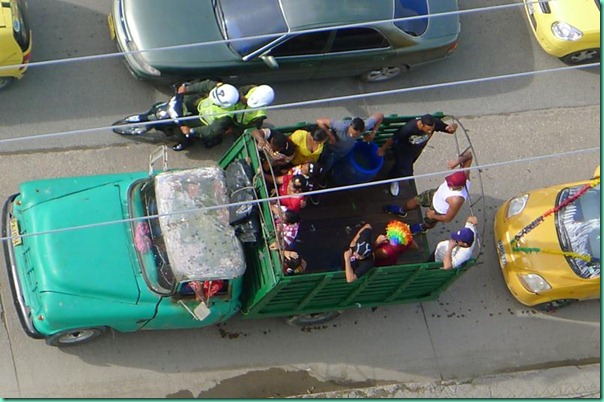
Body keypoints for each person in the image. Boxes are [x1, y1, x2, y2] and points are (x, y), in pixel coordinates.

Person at [384, 149, 473, 234]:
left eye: (451, 184)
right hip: (435, 194)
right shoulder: (463, 173)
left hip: (437, 210)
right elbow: (469, 155)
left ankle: (422, 227)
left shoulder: (456, 200)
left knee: (429, 222)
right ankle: (401, 211)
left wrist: (433, 216)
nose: (448, 183)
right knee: (415, 200)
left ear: (459, 186)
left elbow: (447, 218)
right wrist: (456, 162)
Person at [378, 114, 458, 196]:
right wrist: (382, 149)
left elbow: (449, 129)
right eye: (428, 130)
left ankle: (394, 175)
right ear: (421, 125)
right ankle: (393, 179)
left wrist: (453, 127)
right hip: (403, 150)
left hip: (416, 151)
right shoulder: (408, 129)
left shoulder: (434, 123)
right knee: (405, 171)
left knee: (402, 167)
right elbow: (393, 138)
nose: (430, 132)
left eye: (431, 130)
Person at [173, 79, 241, 151]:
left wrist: (192, 130)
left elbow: (212, 130)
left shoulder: (225, 117)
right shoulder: (221, 88)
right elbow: (206, 85)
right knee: (186, 100)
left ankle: (187, 142)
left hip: (204, 121)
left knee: (182, 125)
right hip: (200, 105)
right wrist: (187, 89)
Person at [316, 112, 384, 184]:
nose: (352, 135)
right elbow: (319, 121)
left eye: (356, 134)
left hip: (344, 152)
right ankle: (319, 179)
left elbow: (380, 116)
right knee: (326, 166)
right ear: (350, 126)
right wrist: (330, 136)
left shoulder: (365, 126)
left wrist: (373, 133)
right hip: (331, 151)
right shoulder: (340, 126)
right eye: (352, 133)